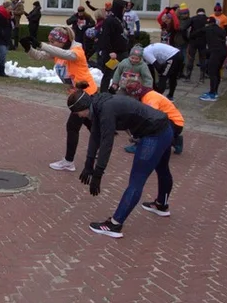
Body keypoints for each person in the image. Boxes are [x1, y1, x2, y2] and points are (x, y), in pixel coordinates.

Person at [66, 82, 174, 239]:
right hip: (165, 128)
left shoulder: (106, 111)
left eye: (77, 113)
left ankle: (115, 225)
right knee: (162, 169)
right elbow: (95, 135)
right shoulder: (97, 103)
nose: (78, 116)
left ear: (83, 108)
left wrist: (98, 173)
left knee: (137, 180)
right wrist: (89, 165)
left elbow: (106, 143)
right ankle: (161, 205)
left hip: (154, 135)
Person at [26, 26, 98, 173]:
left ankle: (69, 162)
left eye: (54, 41)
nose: (51, 44)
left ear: (64, 41)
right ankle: (102, 147)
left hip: (86, 95)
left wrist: (41, 45)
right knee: (90, 123)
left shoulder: (76, 51)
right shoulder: (57, 51)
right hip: (78, 95)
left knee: (72, 127)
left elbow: (67, 55)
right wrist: (28, 47)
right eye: (49, 41)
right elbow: (39, 56)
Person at [123, 80, 185, 155]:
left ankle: (140, 145)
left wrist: (137, 134)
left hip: (174, 123)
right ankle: (176, 141)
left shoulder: (149, 98)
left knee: (147, 126)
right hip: (175, 122)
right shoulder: (147, 94)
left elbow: (150, 117)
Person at [96, 0, 130, 92]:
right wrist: (110, 51)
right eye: (123, 8)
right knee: (108, 74)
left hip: (123, 52)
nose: (124, 10)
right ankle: (103, 92)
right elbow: (105, 37)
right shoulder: (109, 21)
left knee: (123, 74)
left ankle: (113, 91)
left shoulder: (121, 20)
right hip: (113, 54)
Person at [199, 16, 227, 101]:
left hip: (216, 52)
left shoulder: (208, 29)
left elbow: (198, 32)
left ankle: (212, 94)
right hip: (223, 51)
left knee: (212, 72)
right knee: (217, 71)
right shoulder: (220, 30)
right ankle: (215, 92)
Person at [183, 8, 209, 80]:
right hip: (203, 41)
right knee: (202, 59)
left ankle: (188, 77)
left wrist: (186, 38)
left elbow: (184, 28)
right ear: (204, 12)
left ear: (197, 12)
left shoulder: (193, 19)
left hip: (193, 41)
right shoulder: (208, 19)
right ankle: (202, 78)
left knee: (191, 58)